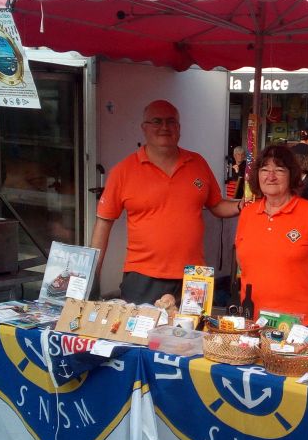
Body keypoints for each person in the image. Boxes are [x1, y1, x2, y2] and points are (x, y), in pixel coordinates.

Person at [91, 99, 241, 304]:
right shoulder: (123, 171)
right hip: (143, 276)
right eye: (156, 121)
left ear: (179, 128)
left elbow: (217, 205)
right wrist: (92, 274)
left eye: (171, 122)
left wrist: (243, 205)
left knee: (192, 335)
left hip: (194, 276)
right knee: (142, 336)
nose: (164, 127)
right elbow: (103, 223)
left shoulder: (197, 163)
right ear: (144, 128)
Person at [235, 144, 308, 325]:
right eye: (265, 169)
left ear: (291, 175)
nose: (271, 176)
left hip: (297, 322)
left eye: (279, 170)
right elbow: (241, 262)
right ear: (257, 175)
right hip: (252, 319)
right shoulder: (248, 213)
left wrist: (303, 288)